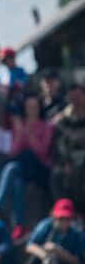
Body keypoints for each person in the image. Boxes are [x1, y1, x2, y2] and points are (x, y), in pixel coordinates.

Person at [0, 95, 54, 240]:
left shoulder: (47, 125)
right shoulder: (19, 126)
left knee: (12, 168)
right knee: (17, 182)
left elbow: (42, 153)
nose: (31, 110)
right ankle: (19, 225)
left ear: (39, 108)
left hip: (40, 168)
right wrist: (20, 135)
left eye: (34, 107)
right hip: (23, 168)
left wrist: (31, 135)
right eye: (28, 107)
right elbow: (13, 152)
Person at [12, 198, 84, 264]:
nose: (62, 221)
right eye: (59, 218)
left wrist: (58, 251)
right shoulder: (46, 225)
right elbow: (30, 246)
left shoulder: (77, 235)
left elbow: (77, 262)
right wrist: (45, 256)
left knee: (54, 258)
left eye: (66, 218)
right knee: (35, 258)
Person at [50, 82, 85, 215]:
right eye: (72, 98)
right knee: (56, 175)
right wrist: (64, 162)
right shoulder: (64, 119)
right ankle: (63, 212)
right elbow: (58, 145)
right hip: (70, 158)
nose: (75, 102)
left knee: (78, 174)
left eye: (78, 97)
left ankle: (80, 212)